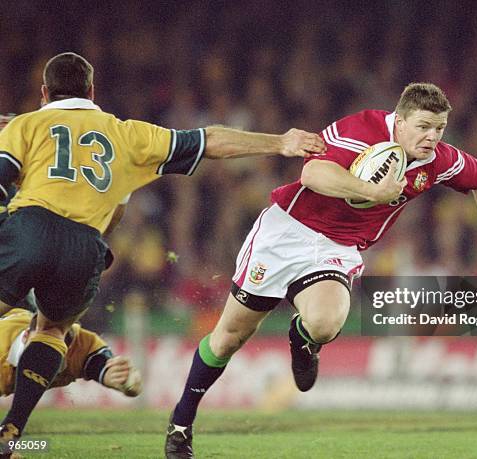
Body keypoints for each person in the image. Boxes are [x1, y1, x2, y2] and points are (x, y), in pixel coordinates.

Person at [0, 51, 325, 457]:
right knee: (51, 331)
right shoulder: (127, 134)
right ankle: (12, 430)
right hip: (85, 247)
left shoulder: (24, 123)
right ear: (92, 91)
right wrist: (280, 142)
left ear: (44, 92)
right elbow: (209, 140)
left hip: (30, 227)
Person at [165, 82, 477, 458]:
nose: (431, 137)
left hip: (338, 248)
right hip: (286, 234)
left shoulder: (439, 160)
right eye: (423, 126)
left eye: (439, 129)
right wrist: (370, 189)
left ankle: (304, 337)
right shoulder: (360, 130)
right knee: (229, 337)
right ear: (399, 122)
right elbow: (314, 174)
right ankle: (182, 423)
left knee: (326, 323)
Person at [0, 307, 142, 399]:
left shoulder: (81, 346)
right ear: (25, 337)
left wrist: (125, 380)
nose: (48, 356)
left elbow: (118, 375)